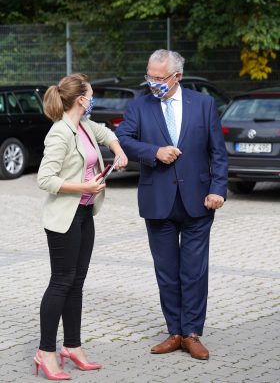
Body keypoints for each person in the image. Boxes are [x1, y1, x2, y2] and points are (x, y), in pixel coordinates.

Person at [116, 50, 228, 360]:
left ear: (176, 76)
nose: (152, 82)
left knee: (193, 272)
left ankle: (192, 333)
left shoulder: (204, 104)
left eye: (159, 78)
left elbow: (217, 152)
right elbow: (122, 139)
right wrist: (154, 152)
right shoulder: (139, 105)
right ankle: (174, 331)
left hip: (198, 202)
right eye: (149, 75)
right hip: (158, 202)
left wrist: (218, 189)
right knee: (167, 272)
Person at [35, 73, 127, 380]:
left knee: (77, 281)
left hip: (85, 215)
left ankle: (72, 346)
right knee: (62, 281)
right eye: (91, 95)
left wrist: (117, 149)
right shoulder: (59, 133)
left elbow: (104, 132)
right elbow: (45, 180)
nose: (93, 100)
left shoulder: (85, 126)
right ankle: (45, 352)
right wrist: (84, 186)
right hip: (64, 218)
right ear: (81, 100)